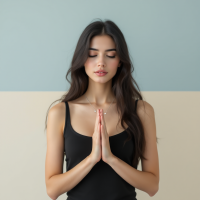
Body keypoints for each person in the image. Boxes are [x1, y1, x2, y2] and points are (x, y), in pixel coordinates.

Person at [44, 19, 159, 200]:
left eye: (110, 55)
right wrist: (91, 159)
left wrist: (111, 158)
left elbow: (152, 186)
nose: (101, 63)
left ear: (120, 61)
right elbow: (52, 189)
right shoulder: (59, 113)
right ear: (82, 59)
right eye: (92, 54)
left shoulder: (142, 111)